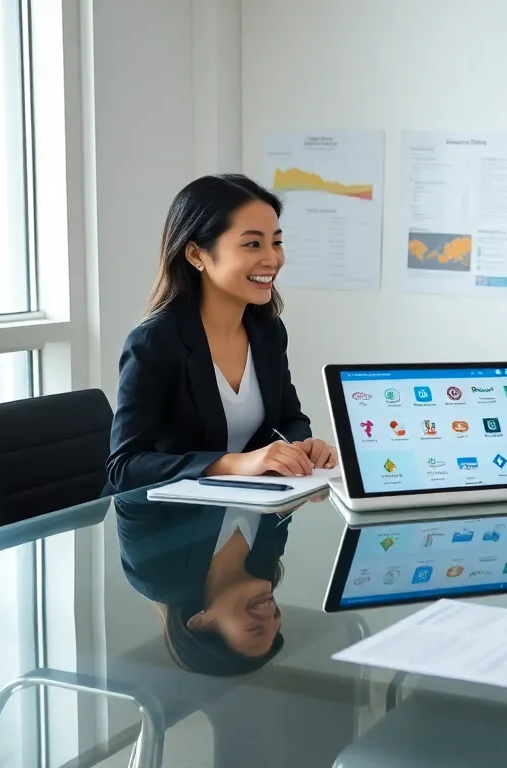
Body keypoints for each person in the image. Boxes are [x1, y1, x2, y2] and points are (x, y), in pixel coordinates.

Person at [106, 174, 337, 493]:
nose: (272, 259)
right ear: (196, 255)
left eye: (277, 242)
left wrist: (301, 447)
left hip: (250, 513)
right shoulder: (154, 341)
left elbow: (289, 420)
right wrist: (234, 463)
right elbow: (125, 466)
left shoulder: (267, 330)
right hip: (167, 527)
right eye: (252, 244)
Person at [116, 497, 296, 675]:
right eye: (276, 627)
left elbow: (130, 487)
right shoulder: (267, 553)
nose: (272, 618)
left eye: (255, 630)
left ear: (200, 622)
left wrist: (221, 467)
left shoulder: (157, 575)